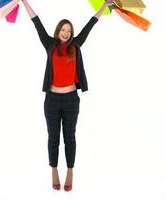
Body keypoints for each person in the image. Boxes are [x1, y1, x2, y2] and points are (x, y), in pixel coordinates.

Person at [21, 0, 114, 191]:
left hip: (71, 99)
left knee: (70, 137)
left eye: (69, 31)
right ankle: (54, 170)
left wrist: (104, 6)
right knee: (53, 137)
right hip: (52, 100)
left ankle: (70, 170)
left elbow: (91, 23)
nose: (66, 33)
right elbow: (35, 20)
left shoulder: (76, 45)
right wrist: (23, 1)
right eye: (63, 30)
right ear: (58, 31)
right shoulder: (49, 44)